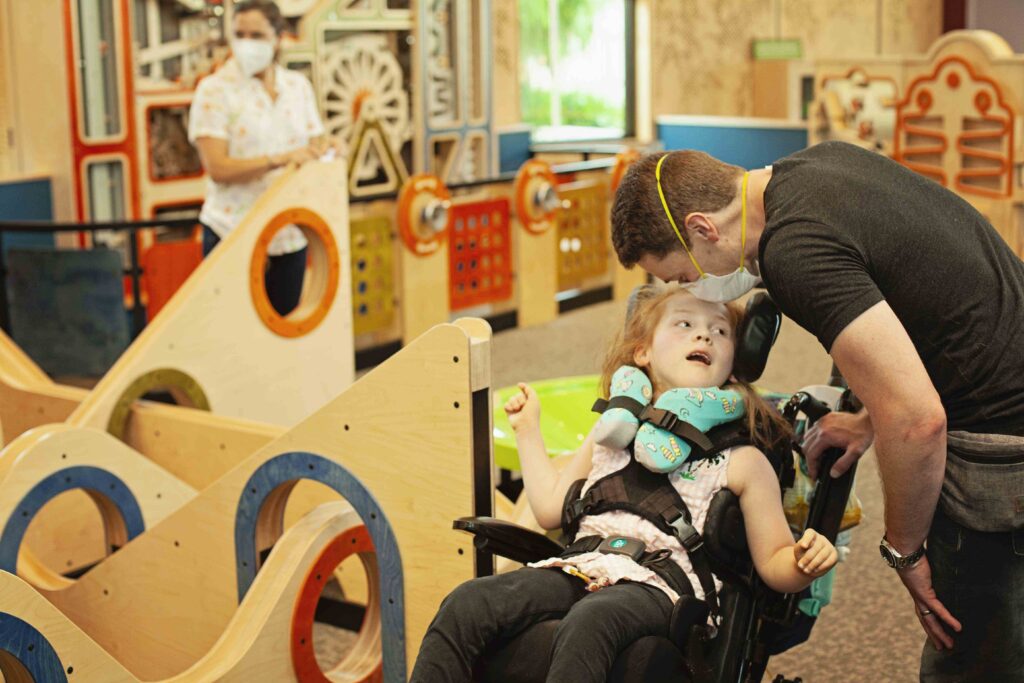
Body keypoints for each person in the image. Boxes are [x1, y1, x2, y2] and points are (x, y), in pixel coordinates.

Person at [610, 141, 1024, 681]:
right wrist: (870, 414)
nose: (692, 290)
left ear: (704, 228)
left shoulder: (793, 253)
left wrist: (904, 552)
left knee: (975, 656)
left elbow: (919, 422)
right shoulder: (814, 166)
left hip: (999, 442)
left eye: (683, 276)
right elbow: (919, 302)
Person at [410, 287, 838, 683]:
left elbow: (775, 563)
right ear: (643, 351)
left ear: (733, 366)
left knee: (591, 620)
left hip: (662, 591)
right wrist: (527, 430)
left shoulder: (742, 460)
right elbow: (549, 510)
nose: (704, 336)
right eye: (685, 324)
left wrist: (802, 562)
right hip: (580, 566)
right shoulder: (611, 430)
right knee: (469, 602)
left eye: (720, 331)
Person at [188, 0, 335, 316]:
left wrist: (329, 148)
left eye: (256, 35)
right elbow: (218, 168)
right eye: (239, 34)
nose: (246, 43)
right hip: (232, 233)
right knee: (231, 333)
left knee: (283, 331)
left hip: (290, 235)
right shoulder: (214, 91)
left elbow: (313, 145)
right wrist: (278, 159)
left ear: (278, 37)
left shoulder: (298, 88)